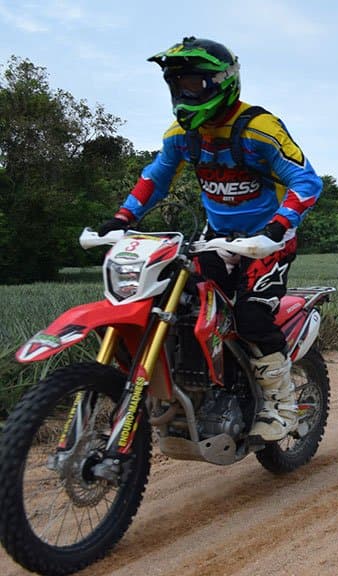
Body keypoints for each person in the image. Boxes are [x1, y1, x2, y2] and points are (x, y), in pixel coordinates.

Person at [96, 37, 323, 442]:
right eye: (178, 85)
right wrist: (121, 217)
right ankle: (198, 390)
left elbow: (305, 181)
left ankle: (281, 404)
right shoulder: (182, 135)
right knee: (182, 309)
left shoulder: (260, 129)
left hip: (265, 244)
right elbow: (155, 178)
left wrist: (277, 226)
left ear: (221, 82)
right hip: (214, 241)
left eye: (193, 85)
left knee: (252, 317)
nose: (184, 94)